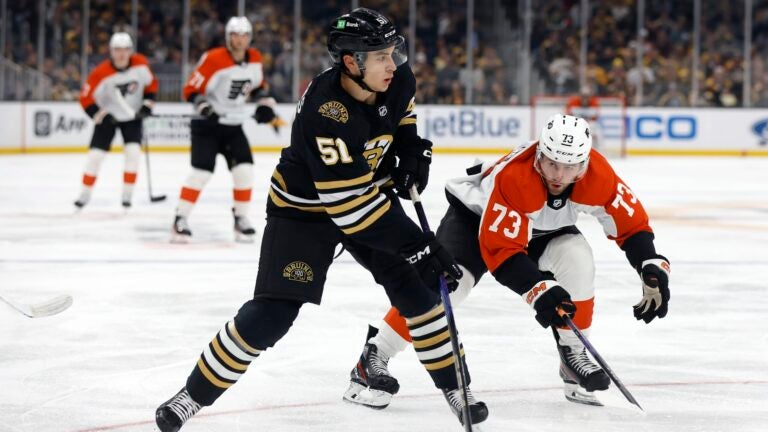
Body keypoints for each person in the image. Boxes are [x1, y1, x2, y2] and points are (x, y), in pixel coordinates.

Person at [155, 8, 488, 431]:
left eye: (394, 52)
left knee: (420, 294)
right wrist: (418, 245)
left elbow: (402, 117)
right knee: (272, 315)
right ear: (351, 63)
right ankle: (191, 396)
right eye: (382, 56)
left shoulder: (397, 77)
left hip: (367, 195)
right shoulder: (326, 111)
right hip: (305, 212)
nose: (394, 63)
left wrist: (413, 151)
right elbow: (350, 210)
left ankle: (456, 387)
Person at [344, 113, 671, 408]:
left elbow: (631, 225)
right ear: (539, 155)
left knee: (578, 259)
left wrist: (650, 263)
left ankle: (572, 353)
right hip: (474, 222)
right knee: (446, 286)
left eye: (570, 167)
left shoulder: (598, 175)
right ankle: (375, 354)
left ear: (585, 163)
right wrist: (538, 288)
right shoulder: (518, 178)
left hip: (540, 228)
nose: (559, 175)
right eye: (552, 163)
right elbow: (501, 251)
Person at [171, 16, 285, 243]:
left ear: (249, 38)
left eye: (244, 35)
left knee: (244, 171)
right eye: (235, 35)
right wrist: (204, 107)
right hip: (207, 125)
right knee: (201, 173)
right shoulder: (213, 59)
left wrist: (264, 105)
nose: (240, 40)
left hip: (233, 125)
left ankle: (240, 218)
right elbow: (190, 89)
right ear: (228, 37)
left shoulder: (255, 58)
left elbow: (258, 87)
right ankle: (179, 219)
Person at [75, 32, 158, 209]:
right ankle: (85, 194)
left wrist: (147, 106)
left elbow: (151, 85)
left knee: (133, 153)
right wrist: (101, 116)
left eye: (125, 49)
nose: (121, 54)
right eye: (117, 50)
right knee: (95, 157)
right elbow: (85, 98)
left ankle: (127, 195)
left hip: (132, 117)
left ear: (131, 51)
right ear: (111, 51)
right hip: (108, 117)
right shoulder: (101, 72)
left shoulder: (141, 64)